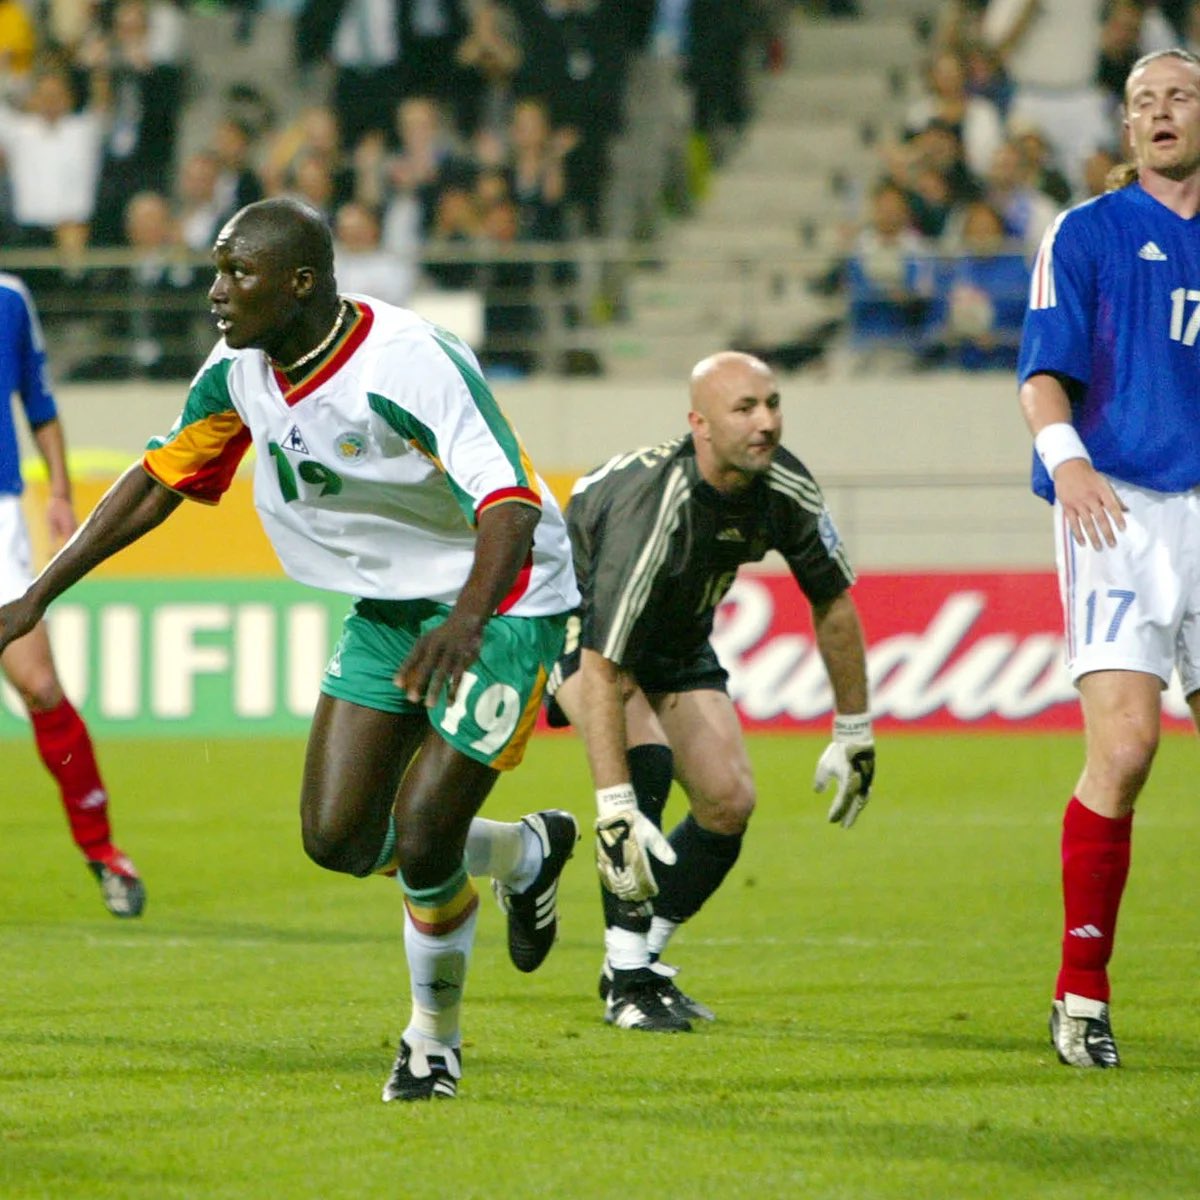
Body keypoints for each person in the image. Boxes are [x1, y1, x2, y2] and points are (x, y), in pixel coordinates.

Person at [0, 197, 581, 1101]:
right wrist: (35, 596)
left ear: (300, 284)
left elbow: (507, 499)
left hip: (503, 598)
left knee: (425, 834)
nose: (216, 292)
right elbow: (161, 479)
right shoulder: (239, 370)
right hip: (390, 607)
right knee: (339, 838)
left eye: (238, 273)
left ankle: (433, 1042)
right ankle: (522, 856)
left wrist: (469, 621)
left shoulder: (406, 362)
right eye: (218, 269)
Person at [545, 350, 875, 1032]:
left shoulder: (786, 486)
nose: (767, 422)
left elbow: (833, 603)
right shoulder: (654, 507)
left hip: (675, 638)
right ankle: (624, 978)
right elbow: (606, 667)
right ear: (699, 424)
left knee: (728, 802)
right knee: (645, 769)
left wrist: (854, 729)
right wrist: (613, 808)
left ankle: (643, 962)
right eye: (745, 408)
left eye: (774, 403)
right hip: (575, 627)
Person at [1019, 48, 1200, 1069]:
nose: (1161, 112)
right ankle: (1080, 994)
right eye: (1144, 102)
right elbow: (1041, 375)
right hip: (1118, 505)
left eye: (1179, 95)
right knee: (1127, 750)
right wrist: (1071, 463)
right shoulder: (1085, 233)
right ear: (1126, 130)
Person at [0, 271, 146, 917]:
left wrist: (59, 490)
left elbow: (39, 401)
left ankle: (103, 850)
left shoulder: (9, 300)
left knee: (39, 686)